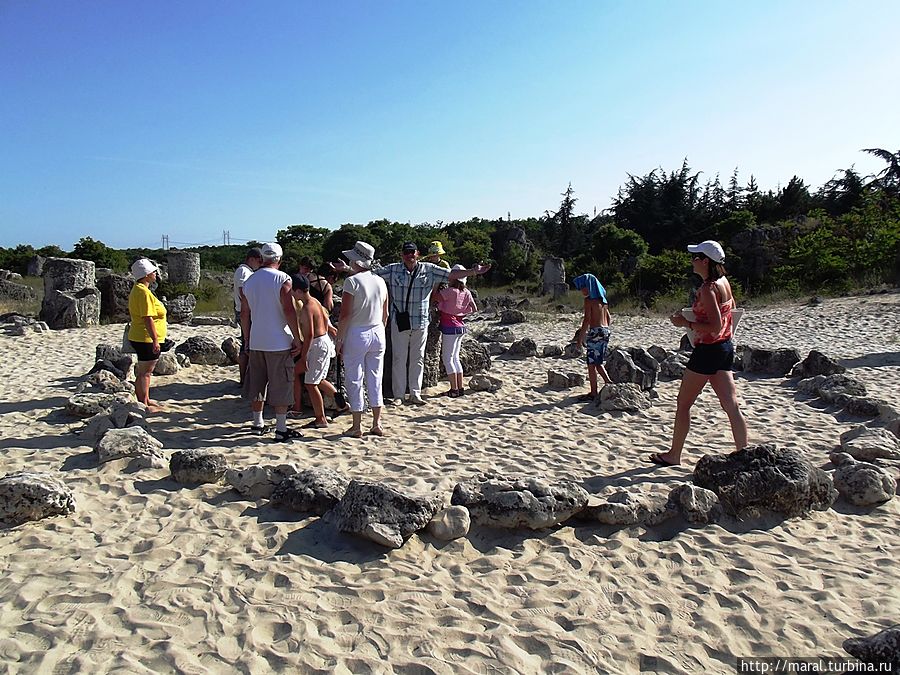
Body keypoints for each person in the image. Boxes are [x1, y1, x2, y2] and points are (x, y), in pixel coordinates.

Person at [650, 240, 748, 466]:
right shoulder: (724, 282)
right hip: (725, 347)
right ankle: (744, 452)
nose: (692, 261)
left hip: (708, 350)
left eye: (696, 257)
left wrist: (685, 323)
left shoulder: (708, 288)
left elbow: (713, 324)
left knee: (683, 403)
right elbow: (729, 313)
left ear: (705, 261)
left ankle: (674, 455)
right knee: (731, 405)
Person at [361, 241, 489, 406]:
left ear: (418, 253)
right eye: (406, 252)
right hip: (400, 321)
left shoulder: (429, 269)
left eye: (412, 252)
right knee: (399, 359)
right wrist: (347, 270)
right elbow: (371, 275)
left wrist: (473, 272)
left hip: (421, 321)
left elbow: (450, 274)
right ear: (402, 255)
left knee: (418, 358)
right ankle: (399, 396)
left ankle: (415, 393)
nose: (410, 255)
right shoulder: (393, 269)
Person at [240, 242, 303, 442]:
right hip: (278, 341)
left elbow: (245, 314)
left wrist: (247, 339)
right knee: (281, 384)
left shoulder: (249, 281)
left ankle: (257, 423)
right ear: (279, 259)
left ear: (261, 258)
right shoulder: (283, 279)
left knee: (257, 383)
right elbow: (288, 310)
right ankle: (281, 427)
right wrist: (297, 337)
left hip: (257, 339)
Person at [334, 241, 388, 438]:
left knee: (354, 378)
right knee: (375, 377)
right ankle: (377, 422)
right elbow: (386, 312)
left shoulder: (352, 282)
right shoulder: (380, 280)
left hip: (357, 332)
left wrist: (339, 340)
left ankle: (357, 425)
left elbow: (345, 315)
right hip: (377, 331)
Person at [291, 274, 345, 428]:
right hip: (323, 342)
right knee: (318, 379)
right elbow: (326, 321)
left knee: (311, 383)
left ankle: (320, 418)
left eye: (293, 292)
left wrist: (303, 356)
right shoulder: (315, 301)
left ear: (298, 291)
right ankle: (340, 403)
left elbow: (309, 335)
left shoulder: (307, 307)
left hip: (317, 344)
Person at [128, 258, 167, 413]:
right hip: (145, 338)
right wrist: (155, 340)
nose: (155, 274)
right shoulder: (143, 292)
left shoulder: (139, 290)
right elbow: (147, 318)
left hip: (141, 336)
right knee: (145, 373)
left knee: (144, 372)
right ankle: (144, 404)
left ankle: (145, 399)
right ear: (146, 275)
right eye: (153, 272)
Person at [436, 264, 477, 397]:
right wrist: (461, 313)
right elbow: (474, 308)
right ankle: (460, 388)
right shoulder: (466, 292)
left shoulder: (450, 291)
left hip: (449, 326)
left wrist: (435, 286)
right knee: (455, 358)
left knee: (447, 358)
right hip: (460, 325)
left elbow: (435, 298)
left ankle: (454, 389)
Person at [573, 274, 612, 400]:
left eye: (582, 287)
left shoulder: (589, 300)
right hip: (605, 331)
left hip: (595, 332)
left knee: (591, 364)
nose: (581, 291)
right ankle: (609, 383)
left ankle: (594, 392)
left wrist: (580, 339)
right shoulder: (603, 301)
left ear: (588, 287)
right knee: (598, 362)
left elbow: (587, 320)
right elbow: (609, 318)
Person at [233, 247, 263, 386]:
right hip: (246, 311)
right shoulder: (243, 271)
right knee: (247, 344)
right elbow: (242, 291)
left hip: (245, 310)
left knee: (247, 343)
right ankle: (244, 379)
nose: (260, 263)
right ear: (251, 259)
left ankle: (245, 378)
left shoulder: (245, 271)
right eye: (259, 260)